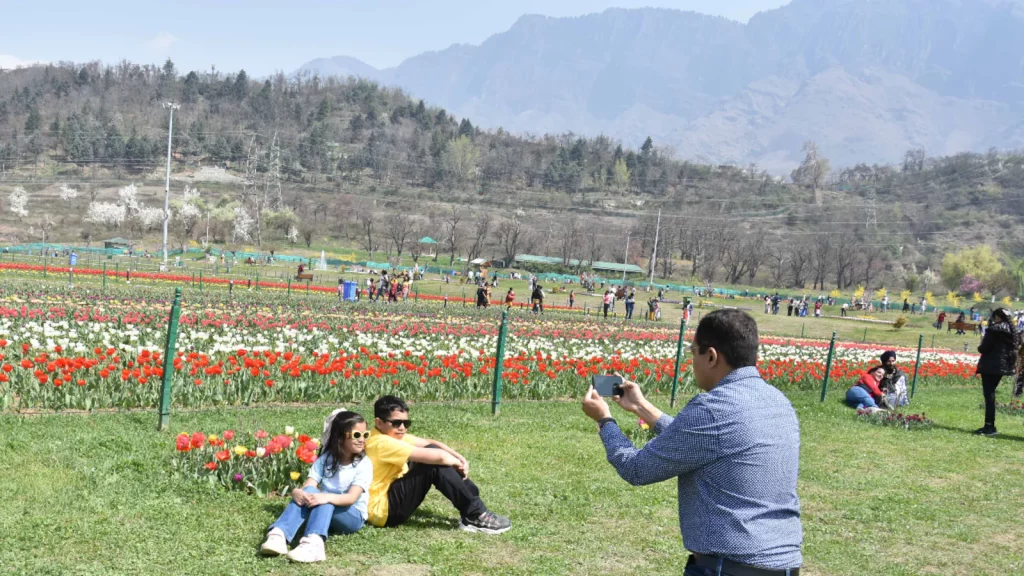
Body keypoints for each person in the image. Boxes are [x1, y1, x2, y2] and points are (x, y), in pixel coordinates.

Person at [581, 309, 802, 575]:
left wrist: (605, 421)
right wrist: (641, 407)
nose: (691, 361)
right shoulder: (779, 402)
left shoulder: (713, 409)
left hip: (728, 568)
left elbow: (637, 469)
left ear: (711, 356)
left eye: (693, 351)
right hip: (783, 565)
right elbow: (707, 439)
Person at [364, 396, 511, 533]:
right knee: (433, 463)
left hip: (390, 494)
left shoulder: (386, 434)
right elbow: (438, 457)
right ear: (379, 422)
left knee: (434, 455)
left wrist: (460, 458)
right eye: (396, 423)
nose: (402, 427)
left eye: (406, 423)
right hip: (383, 512)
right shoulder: (381, 443)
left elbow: (430, 443)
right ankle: (474, 515)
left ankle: (475, 508)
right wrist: (455, 462)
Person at [260, 411, 373, 563]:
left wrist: (325, 497)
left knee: (324, 499)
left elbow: (351, 498)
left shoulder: (364, 464)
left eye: (365, 435)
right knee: (311, 493)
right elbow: (309, 486)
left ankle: (314, 544)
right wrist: (296, 492)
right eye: (357, 435)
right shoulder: (326, 459)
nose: (362, 440)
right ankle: (279, 535)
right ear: (340, 436)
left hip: (352, 516)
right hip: (327, 505)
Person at [975, 308, 1021, 436]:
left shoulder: (994, 330)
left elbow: (983, 348)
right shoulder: (1013, 331)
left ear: (998, 317)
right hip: (1003, 366)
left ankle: (989, 426)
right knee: (991, 394)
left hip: (990, 365)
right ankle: (990, 425)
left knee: (989, 396)